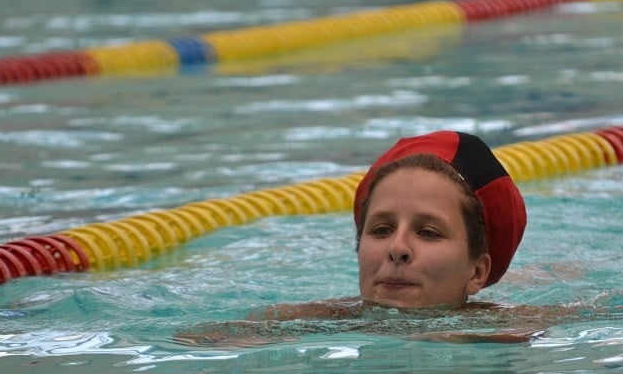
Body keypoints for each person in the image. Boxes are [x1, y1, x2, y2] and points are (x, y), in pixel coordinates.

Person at [178, 131, 578, 345]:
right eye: (381, 229)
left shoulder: (511, 330)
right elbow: (197, 339)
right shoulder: (313, 321)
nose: (397, 249)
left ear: (477, 272)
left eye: (428, 232)